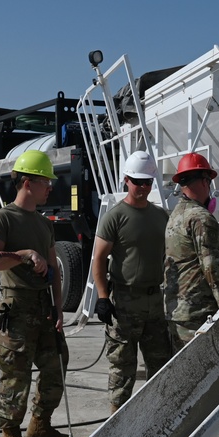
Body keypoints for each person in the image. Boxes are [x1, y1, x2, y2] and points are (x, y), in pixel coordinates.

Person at [0, 150, 70, 437]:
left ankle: (40, 425)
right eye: (46, 181)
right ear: (28, 183)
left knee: (56, 365)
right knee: (15, 373)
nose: (51, 187)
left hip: (43, 308)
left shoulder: (44, 224)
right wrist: (24, 254)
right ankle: (10, 432)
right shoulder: (3, 218)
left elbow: (54, 268)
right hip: (17, 308)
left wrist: (59, 309)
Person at [163, 152, 219, 437]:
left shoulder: (177, 215)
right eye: (207, 179)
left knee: (187, 378)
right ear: (196, 182)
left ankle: (184, 436)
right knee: (210, 376)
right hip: (198, 311)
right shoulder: (200, 218)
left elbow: (208, 247)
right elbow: (213, 269)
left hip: (178, 310)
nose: (211, 185)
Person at [92, 151, 172, 414]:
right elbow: (99, 259)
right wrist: (103, 297)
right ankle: (117, 421)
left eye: (148, 182)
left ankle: (155, 416)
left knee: (160, 363)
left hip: (154, 302)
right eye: (138, 182)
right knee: (122, 366)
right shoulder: (115, 217)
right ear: (126, 180)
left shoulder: (161, 216)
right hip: (125, 301)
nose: (143, 187)